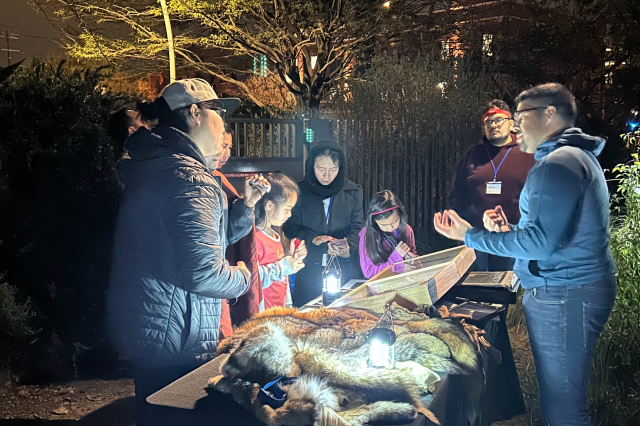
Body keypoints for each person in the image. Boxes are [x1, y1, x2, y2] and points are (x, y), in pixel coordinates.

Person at [434, 83, 617, 426]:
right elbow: (553, 234)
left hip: (563, 293)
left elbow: (539, 244)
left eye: (521, 116)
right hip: (567, 288)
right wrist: (507, 233)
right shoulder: (571, 158)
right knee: (561, 399)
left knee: (564, 408)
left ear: (549, 114)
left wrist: (470, 236)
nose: (515, 125)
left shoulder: (556, 165)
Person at [105, 78, 262, 426]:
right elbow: (203, 272)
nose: (224, 123)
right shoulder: (189, 178)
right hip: (176, 338)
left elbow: (191, 242)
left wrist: (244, 210)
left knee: (153, 411)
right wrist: (244, 276)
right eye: (218, 112)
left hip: (150, 325)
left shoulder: (160, 164)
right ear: (194, 112)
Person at [449, 100, 535, 271]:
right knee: (475, 286)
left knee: (503, 287)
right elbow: (457, 194)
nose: (493, 125)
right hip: (476, 235)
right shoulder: (473, 155)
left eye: (498, 120)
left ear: (511, 124)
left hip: (510, 234)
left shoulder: (528, 154)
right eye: (488, 122)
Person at [283, 140, 364, 307]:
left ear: (340, 168)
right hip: (309, 270)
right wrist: (312, 238)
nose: (327, 176)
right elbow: (290, 227)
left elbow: (358, 228)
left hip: (345, 269)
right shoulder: (298, 192)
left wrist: (348, 248)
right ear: (311, 166)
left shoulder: (354, 192)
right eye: (321, 169)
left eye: (333, 170)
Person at [204, 124, 265, 340]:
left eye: (229, 147)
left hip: (221, 276)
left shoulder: (220, 179)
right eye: (222, 145)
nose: (225, 153)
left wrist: (248, 203)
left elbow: (228, 233)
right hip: (211, 275)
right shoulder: (200, 181)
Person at [254, 173, 307, 310]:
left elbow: (282, 277)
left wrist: (293, 257)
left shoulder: (276, 236)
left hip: (279, 309)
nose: (289, 215)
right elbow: (254, 278)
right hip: (263, 314)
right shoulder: (256, 238)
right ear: (269, 205)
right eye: (287, 209)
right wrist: (284, 266)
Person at [359, 190, 417, 279]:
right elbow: (368, 272)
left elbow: (414, 257)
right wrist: (397, 263)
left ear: (401, 215)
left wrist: (414, 259)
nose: (390, 227)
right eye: (384, 225)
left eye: (395, 221)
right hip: (381, 289)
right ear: (374, 221)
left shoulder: (407, 230)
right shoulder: (367, 235)